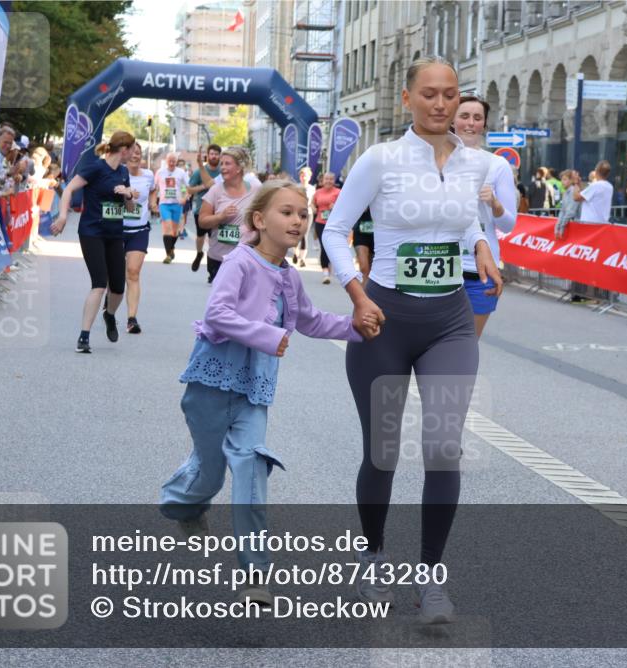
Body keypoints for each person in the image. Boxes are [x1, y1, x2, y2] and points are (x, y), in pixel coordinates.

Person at [322, 56, 503, 624]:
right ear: (407, 99)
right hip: (384, 319)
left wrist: (479, 249)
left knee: (445, 448)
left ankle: (430, 581)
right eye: (429, 94)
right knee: (382, 449)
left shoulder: (476, 164)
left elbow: (464, 218)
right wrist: (357, 293)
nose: (441, 104)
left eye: (450, 94)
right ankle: (375, 558)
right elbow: (333, 229)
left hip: (449, 319)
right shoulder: (381, 159)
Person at [159, 179, 374, 605]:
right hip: (211, 382)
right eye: (287, 212)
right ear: (259, 220)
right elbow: (217, 314)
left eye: (303, 214)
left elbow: (310, 321)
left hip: (254, 390)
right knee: (210, 471)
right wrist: (263, 335)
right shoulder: (240, 261)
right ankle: (181, 504)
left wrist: (359, 329)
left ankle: (255, 572)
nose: (298, 221)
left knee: (252, 465)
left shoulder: (290, 276)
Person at [51, 131, 137, 353]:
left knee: (117, 287)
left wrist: (128, 195)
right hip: (92, 232)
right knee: (99, 284)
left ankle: (109, 315)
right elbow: (69, 188)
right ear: (124, 149)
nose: (133, 154)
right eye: (132, 150)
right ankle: (84, 336)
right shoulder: (96, 167)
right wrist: (62, 216)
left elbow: (130, 209)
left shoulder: (124, 172)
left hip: (115, 233)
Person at [452, 93, 518, 336]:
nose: (470, 123)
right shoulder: (436, 160)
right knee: (438, 347)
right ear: (452, 120)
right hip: (443, 267)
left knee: (467, 347)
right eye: (465, 116)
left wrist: (494, 202)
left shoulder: (497, 165)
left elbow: (509, 224)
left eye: (477, 118)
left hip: (481, 273)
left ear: (484, 124)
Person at [196, 147, 256, 284]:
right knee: (222, 303)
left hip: (246, 257)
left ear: (239, 168)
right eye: (221, 164)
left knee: (243, 301)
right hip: (219, 258)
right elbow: (202, 221)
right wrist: (220, 217)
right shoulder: (215, 190)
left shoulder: (256, 190)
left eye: (227, 164)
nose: (222, 167)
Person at [122, 143, 157, 333]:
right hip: (117, 229)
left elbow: (153, 189)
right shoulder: (117, 173)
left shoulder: (148, 175)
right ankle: (110, 301)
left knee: (133, 272)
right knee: (115, 275)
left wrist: (152, 203)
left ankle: (132, 318)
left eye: (139, 153)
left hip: (139, 229)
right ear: (125, 153)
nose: (135, 156)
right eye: (132, 152)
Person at [187, 144, 222, 273]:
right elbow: (189, 189)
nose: (214, 156)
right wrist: (203, 187)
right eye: (211, 154)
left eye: (216, 154)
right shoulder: (199, 172)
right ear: (208, 155)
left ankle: (211, 270)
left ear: (220, 156)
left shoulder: (223, 171)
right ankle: (199, 253)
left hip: (218, 210)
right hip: (201, 209)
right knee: (201, 236)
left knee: (214, 240)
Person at [155, 152, 190, 263]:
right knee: (168, 227)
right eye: (170, 161)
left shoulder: (181, 173)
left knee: (174, 232)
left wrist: (185, 198)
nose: (171, 163)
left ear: (176, 162)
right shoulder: (160, 172)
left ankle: (171, 249)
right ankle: (168, 255)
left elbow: (189, 187)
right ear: (166, 160)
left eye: (174, 161)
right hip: (164, 203)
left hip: (177, 204)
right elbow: (154, 188)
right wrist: (154, 203)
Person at [311, 171, 340, 284]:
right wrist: (313, 208)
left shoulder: (338, 192)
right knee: (324, 246)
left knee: (331, 247)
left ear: (334, 181)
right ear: (322, 180)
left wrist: (336, 206)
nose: (328, 181)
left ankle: (329, 265)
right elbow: (312, 203)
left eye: (331, 179)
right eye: (326, 179)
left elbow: (345, 207)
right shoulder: (318, 192)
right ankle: (325, 273)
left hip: (334, 224)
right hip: (320, 222)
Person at [291, 165, 315, 267]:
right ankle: (295, 253)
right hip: (297, 213)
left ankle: (302, 258)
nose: (304, 177)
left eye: (306, 175)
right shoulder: (296, 187)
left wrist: (314, 206)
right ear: (300, 177)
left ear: (309, 177)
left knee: (304, 234)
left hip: (308, 213)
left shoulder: (312, 189)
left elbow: (314, 202)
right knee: (296, 233)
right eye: (302, 175)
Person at [555, 170, 582, 239]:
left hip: (577, 226)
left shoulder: (574, 191)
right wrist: (558, 226)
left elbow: (571, 212)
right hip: (570, 225)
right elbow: (563, 211)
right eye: (561, 179)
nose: (562, 182)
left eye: (565, 179)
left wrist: (561, 227)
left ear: (571, 180)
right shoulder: (565, 193)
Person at [351, 207, 375, 280]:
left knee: (372, 271)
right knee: (364, 268)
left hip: (377, 236)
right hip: (360, 233)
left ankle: (368, 290)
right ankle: (362, 291)